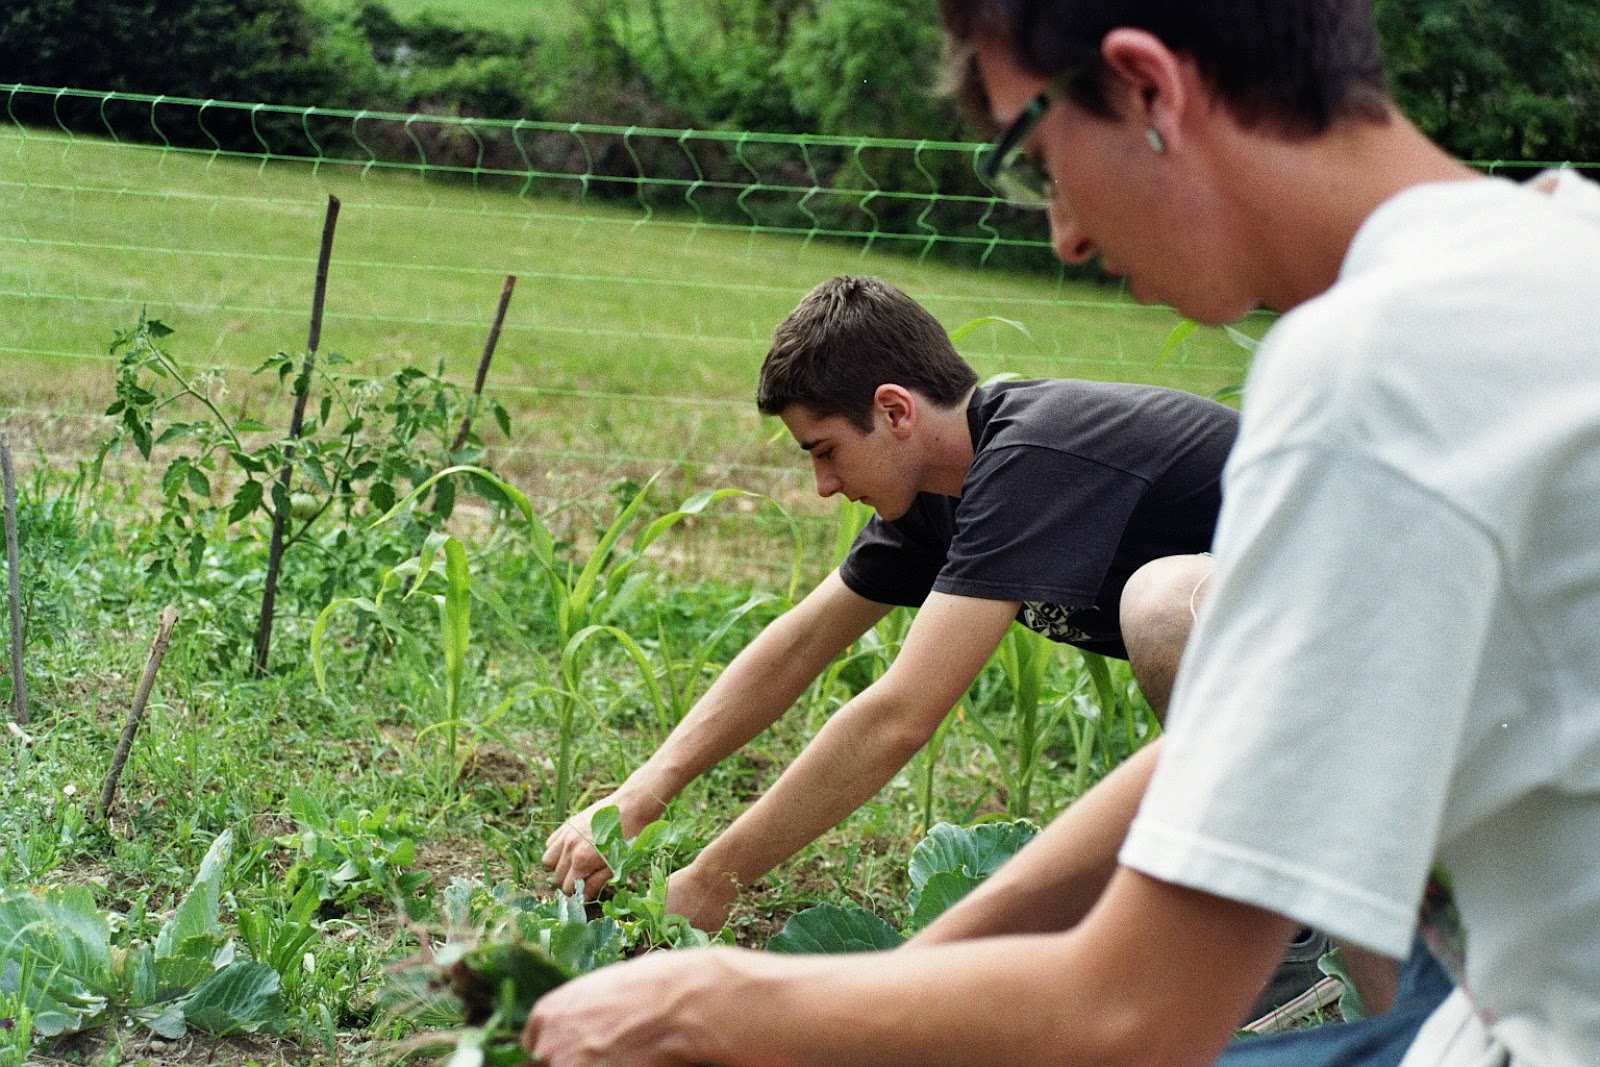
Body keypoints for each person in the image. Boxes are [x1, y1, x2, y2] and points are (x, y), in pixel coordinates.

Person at [520, 1, 1600, 1065]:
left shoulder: (1363, 374)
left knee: (1162, 605)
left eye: (1038, 163)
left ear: (1148, 89)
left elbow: (1130, 1011)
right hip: (1495, 992)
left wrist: (722, 1002)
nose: (1065, 236)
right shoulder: (1550, 252)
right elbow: (1216, 744)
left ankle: (1300, 960)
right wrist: (661, 804)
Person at [545, 273, 1236, 934]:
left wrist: (712, 880)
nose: (822, 485)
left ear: (895, 411)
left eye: (826, 451)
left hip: (1307, 658)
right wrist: (641, 790)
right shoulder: (940, 493)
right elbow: (801, 643)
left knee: (1164, 605)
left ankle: (1259, 920)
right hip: (1279, 693)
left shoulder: (1033, 456)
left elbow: (898, 717)